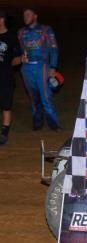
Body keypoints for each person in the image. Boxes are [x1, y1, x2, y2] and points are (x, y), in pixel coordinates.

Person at [18, 7, 61, 131]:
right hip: (26, 69)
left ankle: (54, 124)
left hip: (41, 66)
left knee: (46, 97)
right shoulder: (21, 32)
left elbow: (53, 49)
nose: (25, 17)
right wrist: (21, 58)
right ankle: (37, 123)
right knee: (33, 97)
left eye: (28, 14)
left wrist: (53, 66)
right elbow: (20, 49)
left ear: (35, 16)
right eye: (24, 14)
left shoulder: (46, 30)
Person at [0, 10, 21, 145]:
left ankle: (4, 133)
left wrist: (20, 59)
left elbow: (17, 58)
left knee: (6, 106)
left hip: (5, 77)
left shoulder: (11, 37)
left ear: (2, 20)